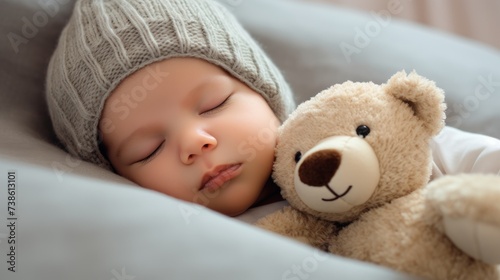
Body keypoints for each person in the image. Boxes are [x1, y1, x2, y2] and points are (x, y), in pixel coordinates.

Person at [46, 0, 500, 219]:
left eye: (215, 104)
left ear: (266, 94)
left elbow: (474, 158)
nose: (195, 142)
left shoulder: (354, 133)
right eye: (148, 149)